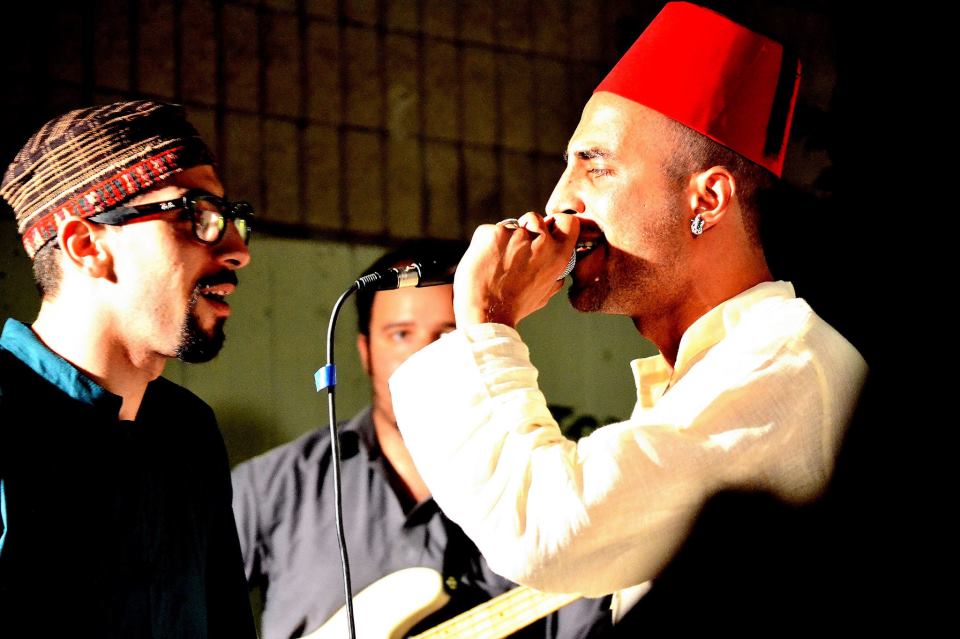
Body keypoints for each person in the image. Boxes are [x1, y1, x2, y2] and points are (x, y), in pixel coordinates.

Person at [388, 2, 869, 631]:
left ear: (707, 199)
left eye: (595, 167)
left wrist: (486, 321)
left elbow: (552, 530)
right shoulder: (721, 368)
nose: (560, 201)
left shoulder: (788, 368)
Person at [232, 240, 608, 639]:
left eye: (448, 332)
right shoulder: (269, 487)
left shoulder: (553, 488)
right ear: (365, 351)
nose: (424, 356)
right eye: (400, 334)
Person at [0, 100, 256, 637]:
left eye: (231, 219)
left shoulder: (188, 432)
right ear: (87, 245)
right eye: (196, 215)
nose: (238, 250)